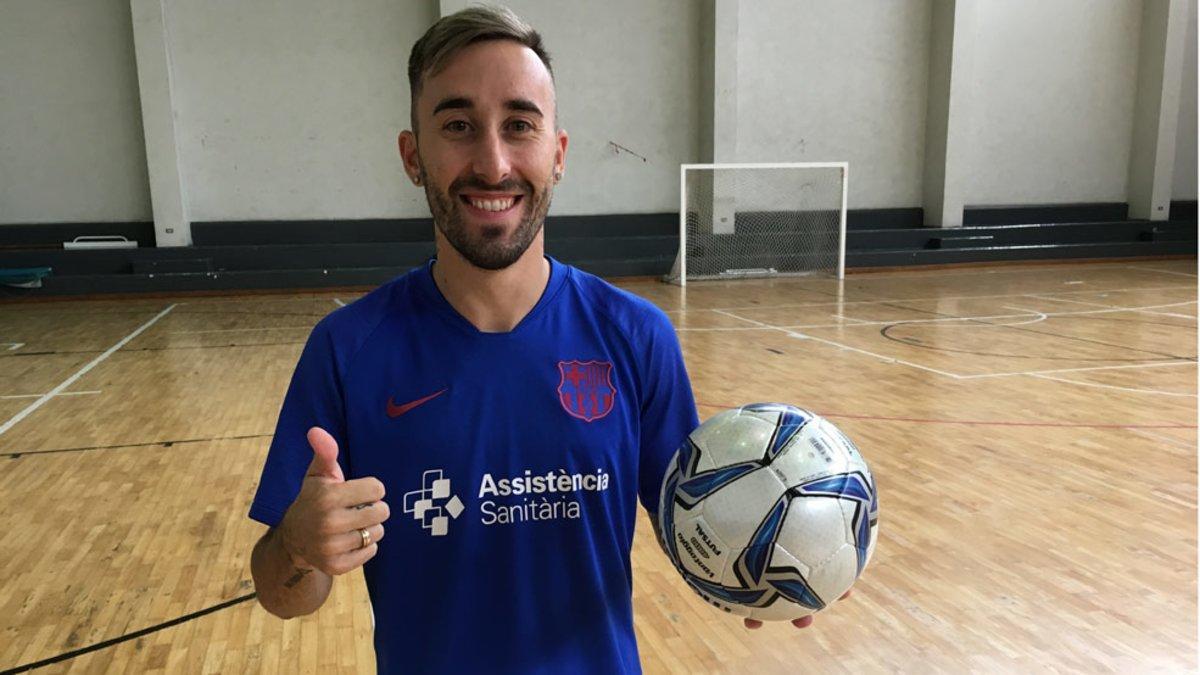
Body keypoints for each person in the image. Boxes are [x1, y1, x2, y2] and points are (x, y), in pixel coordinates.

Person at [248, 6, 839, 673]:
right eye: (458, 126)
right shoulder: (348, 350)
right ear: (414, 157)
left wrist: (760, 553)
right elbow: (280, 594)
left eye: (519, 125)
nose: (493, 163)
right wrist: (298, 548)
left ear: (557, 154)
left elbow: (695, 525)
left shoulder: (636, 337)